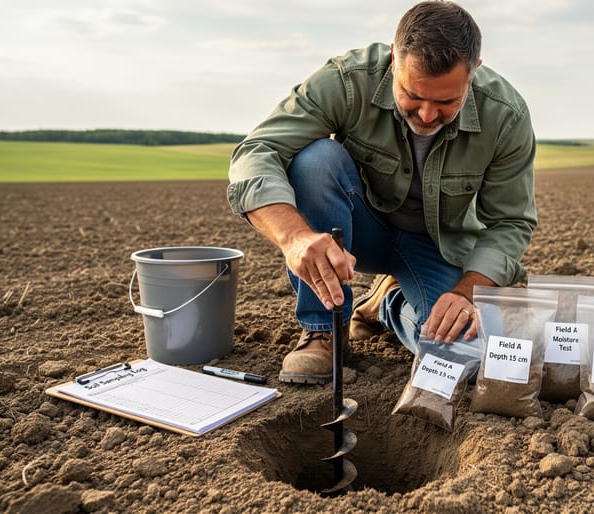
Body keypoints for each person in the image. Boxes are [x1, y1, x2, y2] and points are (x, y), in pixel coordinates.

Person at [227, 0, 537, 384]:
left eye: (445, 102)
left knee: (458, 350)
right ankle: (325, 330)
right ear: (394, 58)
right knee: (315, 159)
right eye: (412, 95)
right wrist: (294, 238)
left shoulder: (505, 115)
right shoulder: (348, 79)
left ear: (473, 73)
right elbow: (257, 151)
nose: (426, 115)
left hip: (437, 245)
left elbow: (510, 221)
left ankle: (388, 304)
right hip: (360, 230)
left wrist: (465, 292)